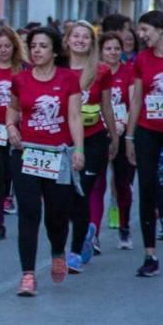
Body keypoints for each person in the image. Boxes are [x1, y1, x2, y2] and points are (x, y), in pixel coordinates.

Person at [5, 27, 83, 297]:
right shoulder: (20, 80)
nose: (37, 51)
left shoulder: (68, 79)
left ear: (54, 51)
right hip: (27, 153)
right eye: (33, 46)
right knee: (28, 212)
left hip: (58, 154)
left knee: (56, 214)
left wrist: (79, 149)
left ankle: (58, 251)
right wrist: (10, 127)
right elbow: (13, 109)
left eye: (43, 46)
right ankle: (28, 274)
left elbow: (74, 116)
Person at [124, 10, 163, 277]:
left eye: (144, 30)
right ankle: (150, 254)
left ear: (160, 29)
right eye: (139, 31)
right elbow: (137, 99)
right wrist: (129, 136)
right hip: (147, 129)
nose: (141, 36)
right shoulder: (142, 59)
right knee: (147, 187)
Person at [63, 21, 118, 274]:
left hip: (94, 139)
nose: (80, 41)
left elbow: (106, 105)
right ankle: (86, 231)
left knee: (81, 192)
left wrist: (115, 136)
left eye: (86, 37)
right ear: (68, 39)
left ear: (92, 42)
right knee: (62, 198)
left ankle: (74, 251)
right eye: (76, 36)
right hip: (62, 141)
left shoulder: (101, 70)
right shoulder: (58, 68)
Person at [90, 31, 136, 250]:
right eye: (108, 48)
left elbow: (134, 102)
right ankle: (94, 233)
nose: (113, 52)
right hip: (98, 133)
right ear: (101, 51)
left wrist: (121, 126)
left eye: (117, 48)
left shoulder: (129, 72)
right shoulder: (95, 73)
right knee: (97, 185)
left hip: (121, 131)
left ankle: (124, 227)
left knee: (122, 184)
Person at [0, 26, 26, 240]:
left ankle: (24, 219)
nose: (3, 50)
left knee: (17, 176)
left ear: (14, 46)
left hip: (19, 131)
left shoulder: (24, 68)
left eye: (7, 46)